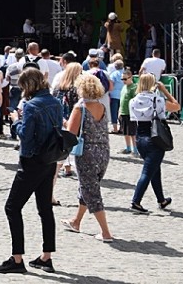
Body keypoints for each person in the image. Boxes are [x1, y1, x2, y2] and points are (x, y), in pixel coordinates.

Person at [0, 68, 62, 275]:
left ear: (27, 86)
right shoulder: (56, 102)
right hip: (49, 159)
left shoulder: (31, 106)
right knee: (45, 209)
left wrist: (16, 120)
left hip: (31, 160)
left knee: (12, 207)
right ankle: (46, 256)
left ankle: (17, 259)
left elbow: (26, 136)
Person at [61, 74, 114, 243]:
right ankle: (76, 221)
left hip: (87, 153)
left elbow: (71, 132)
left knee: (91, 190)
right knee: (89, 185)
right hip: (103, 150)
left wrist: (63, 122)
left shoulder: (80, 107)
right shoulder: (102, 106)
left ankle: (106, 232)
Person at [129, 74, 180, 213]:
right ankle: (136, 201)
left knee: (154, 169)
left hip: (140, 137)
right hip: (155, 136)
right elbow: (176, 106)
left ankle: (161, 200)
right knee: (147, 171)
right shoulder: (157, 99)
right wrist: (164, 91)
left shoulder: (133, 100)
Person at [118, 69, 139, 155]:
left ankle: (135, 149)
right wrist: (119, 111)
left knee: (132, 133)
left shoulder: (134, 88)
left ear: (131, 78)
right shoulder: (123, 87)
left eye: (125, 79)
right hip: (123, 112)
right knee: (125, 132)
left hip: (130, 114)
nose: (123, 81)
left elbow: (135, 101)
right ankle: (128, 147)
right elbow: (121, 100)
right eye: (122, 79)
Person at [108, 60, 125, 133]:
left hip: (114, 95)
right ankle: (122, 128)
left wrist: (109, 92)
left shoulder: (113, 74)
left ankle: (115, 128)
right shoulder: (125, 74)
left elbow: (111, 85)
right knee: (122, 111)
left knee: (114, 112)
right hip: (124, 94)